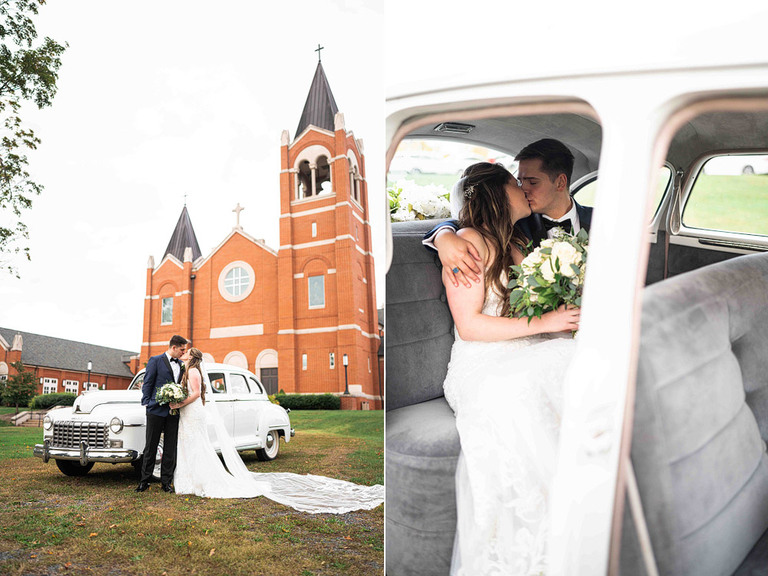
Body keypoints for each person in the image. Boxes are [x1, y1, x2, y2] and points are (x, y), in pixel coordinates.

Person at [440, 162, 579, 574]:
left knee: (579, 361)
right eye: (515, 184)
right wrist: (546, 323)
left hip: (529, 346)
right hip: (482, 361)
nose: (523, 188)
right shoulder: (467, 244)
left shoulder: (520, 239)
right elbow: (469, 326)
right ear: (499, 194)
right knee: (528, 385)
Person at [168, 347, 384, 513]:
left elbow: (196, 393)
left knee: (198, 446)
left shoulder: (194, 372)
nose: (184, 354)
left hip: (192, 410)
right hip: (189, 413)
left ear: (192, 357)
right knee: (190, 445)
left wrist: (179, 403)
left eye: (186, 353)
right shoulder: (189, 370)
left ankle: (200, 480)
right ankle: (189, 479)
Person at [424, 138, 593, 289]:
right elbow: (471, 222)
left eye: (532, 182)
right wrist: (443, 236)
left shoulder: (602, 220)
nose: (524, 189)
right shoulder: (517, 224)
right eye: (520, 181)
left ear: (560, 183)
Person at [136, 334, 188, 493]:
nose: (183, 353)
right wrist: (147, 402)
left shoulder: (181, 365)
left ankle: (166, 482)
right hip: (155, 410)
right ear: (174, 347)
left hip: (173, 412)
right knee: (151, 446)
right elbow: (148, 382)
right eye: (181, 349)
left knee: (170, 447)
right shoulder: (155, 360)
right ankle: (144, 481)